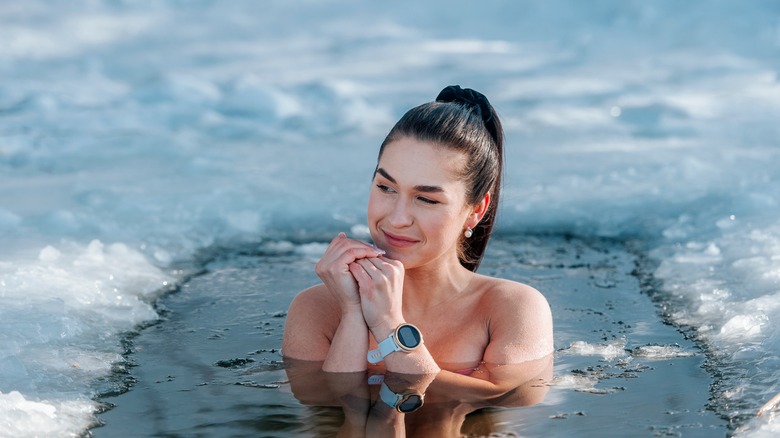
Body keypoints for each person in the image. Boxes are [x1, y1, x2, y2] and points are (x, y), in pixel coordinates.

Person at [282, 85, 553, 399]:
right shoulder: (316, 308)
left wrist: (388, 324)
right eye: (386, 187)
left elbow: (508, 398)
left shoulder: (511, 307)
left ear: (475, 211)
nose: (397, 218)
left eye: (426, 199)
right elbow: (323, 405)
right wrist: (353, 313)